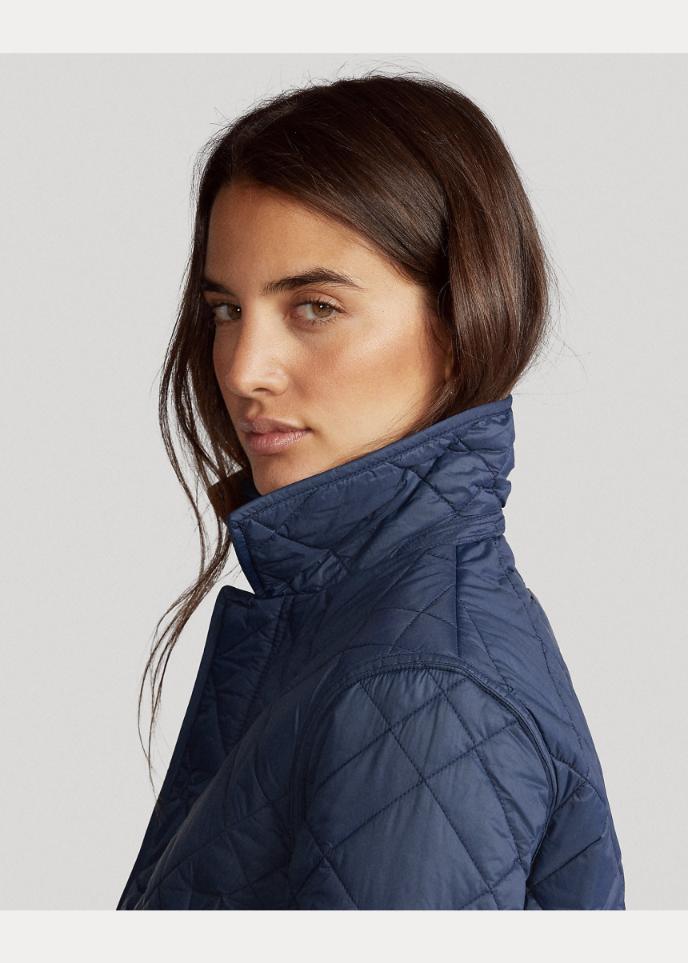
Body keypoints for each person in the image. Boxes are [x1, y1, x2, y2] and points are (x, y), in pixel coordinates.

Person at [116, 70, 626, 910]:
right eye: (226, 311)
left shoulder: (417, 689)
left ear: (460, 323)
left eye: (314, 307)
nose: (244, 371)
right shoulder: (358, 630)